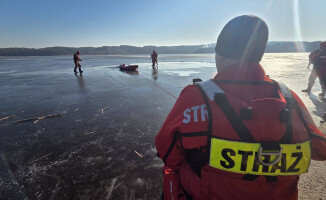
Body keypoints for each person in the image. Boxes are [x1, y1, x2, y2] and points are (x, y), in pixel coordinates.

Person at [155, 15, 326, 200]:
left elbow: (166, 152)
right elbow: (320, 149)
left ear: (219, 54)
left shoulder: (195, 96)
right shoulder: (289, 97)